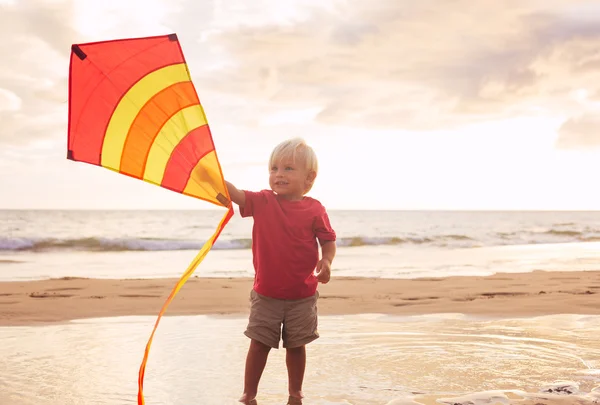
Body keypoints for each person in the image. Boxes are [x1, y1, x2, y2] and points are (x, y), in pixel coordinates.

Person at [225, 137, 337, 405]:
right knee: (259, 343)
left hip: (303, 294)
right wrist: (212, 175)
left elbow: (327, 240)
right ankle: (249, 393)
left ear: (309, 178)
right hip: (267, 294)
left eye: (288, 168)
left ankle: (295, 392)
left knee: (296, 346)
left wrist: (327, 261)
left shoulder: (315, 208)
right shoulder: (263, 201)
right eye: (274, 168)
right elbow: (235, 193)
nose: (278, 174)